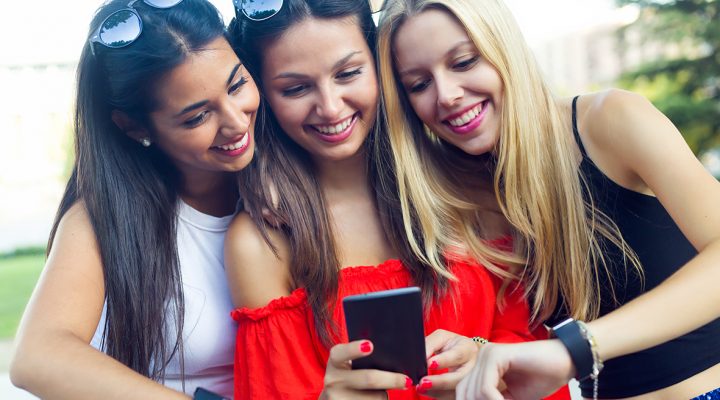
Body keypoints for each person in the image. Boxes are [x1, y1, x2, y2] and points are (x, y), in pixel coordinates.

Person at [376, 0, 720, 399]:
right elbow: (540, 344)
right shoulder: (466, 194)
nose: (447, 95)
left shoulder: (611, 120)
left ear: (504, 50)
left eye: (465, 62)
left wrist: (574, 347)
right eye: (419, 84)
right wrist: (484, 352)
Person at [223, 1, 563, 399]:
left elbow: (529, 345)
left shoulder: (467, 183)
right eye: (295, 88)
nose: (330, 107)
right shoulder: (262, 242)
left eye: (349, 73)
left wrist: (486, 358)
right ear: (263, 95)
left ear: (381, 65)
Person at [9, 0, 260, 398]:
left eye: (237, 85)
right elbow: (37, 356)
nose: (236, 121)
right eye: (196, 116)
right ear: (133, 127)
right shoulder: (103, 218)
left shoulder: (285, 179)